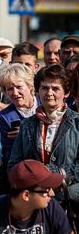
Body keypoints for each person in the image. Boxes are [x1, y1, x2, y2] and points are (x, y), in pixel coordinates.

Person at [8, 65, 79, 209]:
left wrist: (54, 178)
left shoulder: (77, 123)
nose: (49, 93)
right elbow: (14, 164)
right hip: (33, 201)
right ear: (37, 91)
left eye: (55, 88)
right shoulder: (27, 125)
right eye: (44, 88)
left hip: (68, 200)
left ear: (66, 92)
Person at [0, 63, 38, 194]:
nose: (15, 93)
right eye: (9, 89)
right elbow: (10, 152)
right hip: (23, 175)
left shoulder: (45, 104)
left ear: (30, 86)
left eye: (19, 87)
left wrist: (25, 132)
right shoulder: (4, 117)